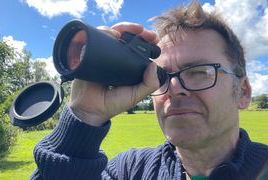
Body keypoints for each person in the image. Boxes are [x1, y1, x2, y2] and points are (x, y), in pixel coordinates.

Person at [30, 1, 268, 179]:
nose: (174, 89)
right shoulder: (130, 171)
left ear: (243, 92)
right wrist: (84, 117)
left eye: (199, 72)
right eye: (161, 76)